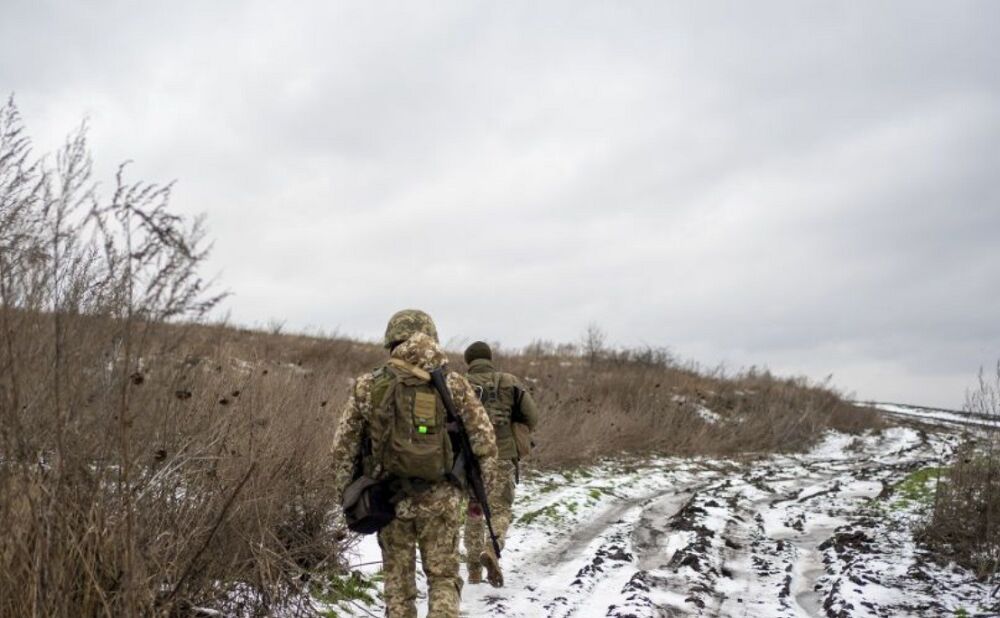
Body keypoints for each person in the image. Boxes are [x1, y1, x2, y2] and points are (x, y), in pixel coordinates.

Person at [330, 310, 498, 618]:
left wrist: (347, 497)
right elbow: (485, 444)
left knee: (398, 586)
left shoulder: (368, 385)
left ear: (391, 341)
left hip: (388, 500)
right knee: (444, 578)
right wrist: (478, 497)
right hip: (442, 500)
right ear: (432, 338)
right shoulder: (455, 385)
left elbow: (342, 449)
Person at [461, 341, 539, 587]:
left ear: (468, 361)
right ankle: (491, 549)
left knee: (473, 509)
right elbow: (532, 417)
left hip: (469, 457)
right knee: (500, 509)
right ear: (489, 358)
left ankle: (473, 569)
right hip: (502, 454)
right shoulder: (509, 381)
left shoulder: (458, 383)